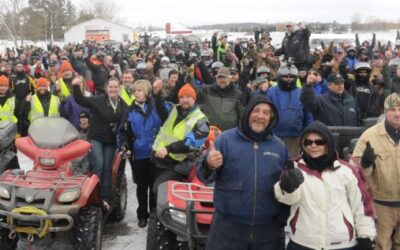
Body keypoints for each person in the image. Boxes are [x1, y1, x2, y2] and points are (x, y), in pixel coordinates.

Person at [197, 95, 289, 250]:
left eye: (266, 113)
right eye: (256, 111)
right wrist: (208, 164)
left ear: (271, 118)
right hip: (228, 229)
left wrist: (281, 218)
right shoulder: (225, 140)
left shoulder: (279, 147)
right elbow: (203, 176)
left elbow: (286, 187)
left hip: (267, 231)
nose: (260, 116)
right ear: (247, 113)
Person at [274, 121, 376, 250]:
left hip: (342, 243)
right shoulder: (294, 168)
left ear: (328, 143)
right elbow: (288, 199)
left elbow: (361, 205)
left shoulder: (346, 171)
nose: (313, 145)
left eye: (319, 142)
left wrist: (365, 234)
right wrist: (288, 186)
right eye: (308, 142)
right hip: (304, 242)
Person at [118, 79, 170, 228]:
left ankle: (154, 214)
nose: (136, 93)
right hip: (138, 153)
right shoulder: (129, 110)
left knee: (154, 186)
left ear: (146, 92)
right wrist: (125, 145)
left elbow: (166, 116)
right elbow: (123, 131)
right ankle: (142, 215)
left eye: (139, 90)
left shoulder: (156, 106)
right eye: (135, 91)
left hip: (155, 152)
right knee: (141, 186)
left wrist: (158, 94)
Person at [352, 93, 400, 250]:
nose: (397, 113)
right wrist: (366, 164)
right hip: (381, 205)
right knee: (381, 245)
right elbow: (355, 173)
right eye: (393, 109)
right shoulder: (369, 136)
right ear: (385, 112)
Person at [72, 76, 128, 210]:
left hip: (110, 141)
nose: (113, 89)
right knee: (99, 165)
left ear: (119, 88)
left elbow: (125, 125)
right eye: (111, 87)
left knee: (108, 168)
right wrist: (75, 87)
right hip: (96, 137)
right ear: (106, 88)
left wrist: (125, 143)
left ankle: (105, 199)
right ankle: (93, 197)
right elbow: (81, 100)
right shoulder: (98, 100)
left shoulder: (123, 105)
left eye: (115, 87)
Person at [151, 83, 209, 195]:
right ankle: (155, 212)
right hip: (160, 159)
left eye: (188, 97)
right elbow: (161, 107)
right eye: (181, 97)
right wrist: (157, 94)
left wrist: (168, 149)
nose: (184, 100)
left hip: (179, 164)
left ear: (194, 99)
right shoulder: (174, 110)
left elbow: (191, 144)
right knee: (154, 192)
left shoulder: (201, 120)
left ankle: (167, 212)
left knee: (159, 190)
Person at [265, 64, 313, 157]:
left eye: (291, 77)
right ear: (280, 77)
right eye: (285, 76)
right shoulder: (271, 92)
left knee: (293, 164)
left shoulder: (301, 92)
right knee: (275, 162)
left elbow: (308, 114)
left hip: (295, 137)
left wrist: (309, 132)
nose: (288, 79)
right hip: (275, 136)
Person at [197, 67, 244, 131]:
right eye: (219, 78)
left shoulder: (238, 94)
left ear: (229, 78)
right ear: (216, 78)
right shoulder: (207, 90)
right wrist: (189, 78)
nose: (222, 80)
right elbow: (193, 92)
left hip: (228, 133)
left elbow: (241, 115)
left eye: (224, 78)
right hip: (210, 132)